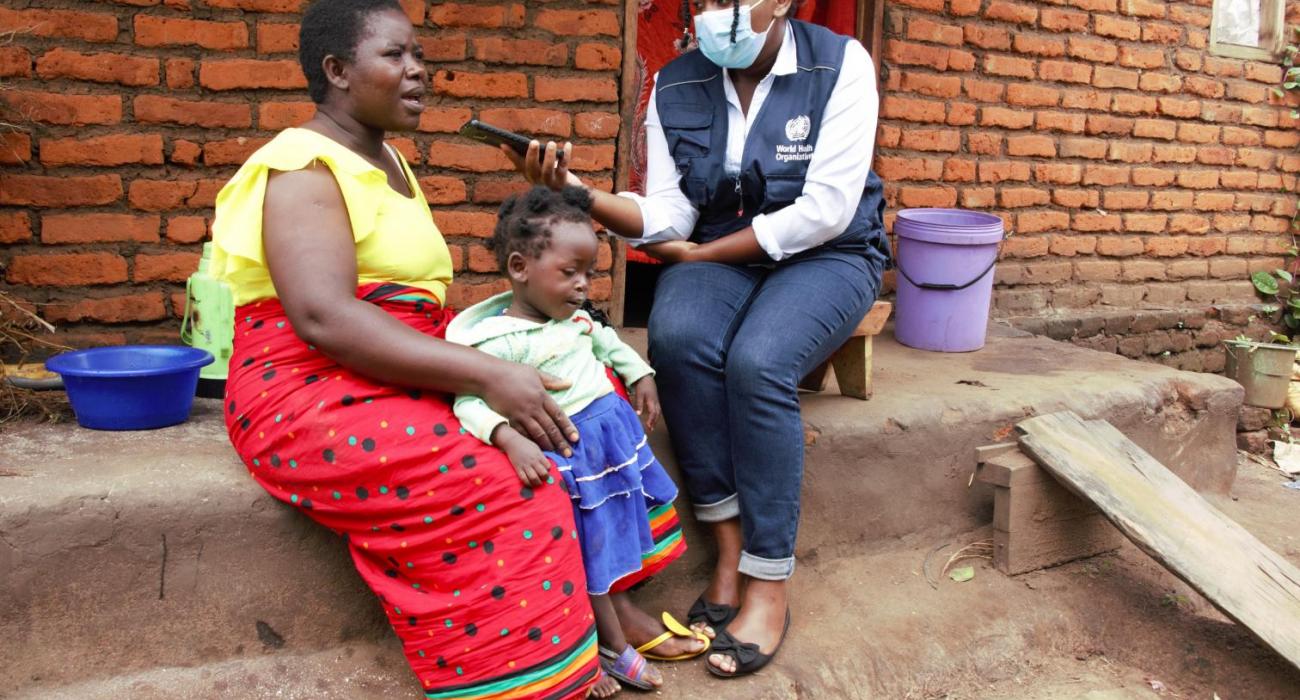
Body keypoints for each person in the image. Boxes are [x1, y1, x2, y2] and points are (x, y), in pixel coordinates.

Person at [209, 1, 603, 696]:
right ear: (337, 71)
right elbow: (324, 316)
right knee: (508, 479)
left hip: (382, 365)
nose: (419, 70)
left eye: (418, 55)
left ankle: (587, 645)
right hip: (306, 386)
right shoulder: (301, 164)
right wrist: (487, 374)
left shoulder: (386, 160)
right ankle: (519, 682)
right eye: (396, 56)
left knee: (584, 419)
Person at [505, 0, 888, 679]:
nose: (717, 10)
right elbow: (671, 211)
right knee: (678, 338)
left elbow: (826, 210)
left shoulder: (840, 65)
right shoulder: (677, 81)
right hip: (717, 248)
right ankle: (729, 545)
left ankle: (769, 584)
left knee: (760, 360)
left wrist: (704, 259)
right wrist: (578, 194)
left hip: (830, 253)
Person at [446, 186, 707, 696]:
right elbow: (467, 403)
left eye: (589, 273)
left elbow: (604, 339)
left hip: (608, 451)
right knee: (588, 557)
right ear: (520, 268)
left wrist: (640, 374)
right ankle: (610, 644)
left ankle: (607, 636)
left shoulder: (571, 316)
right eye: (571, 273)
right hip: (571, 462)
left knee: (609, 548)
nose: (584, 285)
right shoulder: (500, 342)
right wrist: (506, 437)